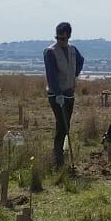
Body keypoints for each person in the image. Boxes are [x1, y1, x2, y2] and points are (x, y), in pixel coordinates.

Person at [42, 21, 85, 167]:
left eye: (64, 38)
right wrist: (57, 93)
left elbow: (81, 61)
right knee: (62, 125)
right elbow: (51, 75)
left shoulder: (73, 50)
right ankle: (58, 158)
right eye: (59, 38)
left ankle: (60, 153)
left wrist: (74, 75)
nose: (61, 41)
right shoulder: (50, 51)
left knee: (67, 125)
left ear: (69, 36)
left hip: (69, 93)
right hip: (56, 95)